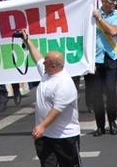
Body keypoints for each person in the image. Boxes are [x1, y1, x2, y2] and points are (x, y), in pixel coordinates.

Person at [19, 29, 81, 167]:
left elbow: (57, 109)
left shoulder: (65, 83)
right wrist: (27, 40)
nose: (42, 65)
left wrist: (42, 126)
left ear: (53, 66)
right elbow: (38, 58)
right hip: (45, 137)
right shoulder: (47, 73)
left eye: (45, 63)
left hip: (65, 137)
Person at [91, 0, 117, 136]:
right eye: (112, 1)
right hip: (96, 59)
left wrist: (100, 19)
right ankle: (100, 125)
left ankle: (112, 121)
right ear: (103, 2)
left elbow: (113, 32)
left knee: (110, 90)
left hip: (110, 57)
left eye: (116, 1)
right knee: (96, 94)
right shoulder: (94, 14)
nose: (114, 4)